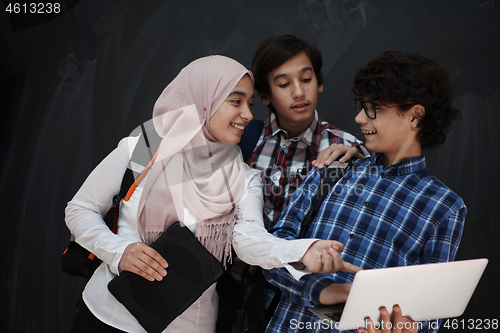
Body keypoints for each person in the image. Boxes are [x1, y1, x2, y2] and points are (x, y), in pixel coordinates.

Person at [65, 55, 355, 333]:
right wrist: (119, 252)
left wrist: (301, 251)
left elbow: (248, 241)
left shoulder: (243, 176)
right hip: (107, 316)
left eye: (250, 103)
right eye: (235, 101)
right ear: (204, 101)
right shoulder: (146, 146)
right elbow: (80, 210)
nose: (247, 114)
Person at [264, 51, 466, 333]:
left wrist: (404, 327)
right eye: (362, 106)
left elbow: (430, 314)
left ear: (415, 116)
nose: (359, 117)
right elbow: (271, 253)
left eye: (373, 109)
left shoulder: (444, 207)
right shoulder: (334, 167)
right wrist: (326, 291)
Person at [218, 35, 369, 333]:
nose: (299, 92)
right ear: (265, 96)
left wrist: (360, 157)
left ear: (320, 82)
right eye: (284, 84)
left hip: (301, 296)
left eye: (307, 79)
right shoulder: (243, 139)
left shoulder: (344, 148)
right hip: (232, 286)